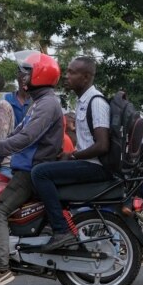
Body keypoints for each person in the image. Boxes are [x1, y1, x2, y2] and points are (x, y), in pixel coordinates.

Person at [0, 52, 64, 285]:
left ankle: (2, 268)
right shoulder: (38, 102)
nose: (21, 76)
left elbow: (24, 139)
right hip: (26, 166)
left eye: (27, 71)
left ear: (40, 74)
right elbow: (17, 134)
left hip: (30, 170)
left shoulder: (47, 103)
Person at [31, 57, 110, 253]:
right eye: (67, 71)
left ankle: (61, 231)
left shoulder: (96, 102)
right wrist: (69, 154)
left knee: (40, 173)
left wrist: (73, 157)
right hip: (87, 162)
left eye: (71, 72)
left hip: (95, 166)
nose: (66, 76)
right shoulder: (83, 101)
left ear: (85, 77)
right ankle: (59, 227)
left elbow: (102, 145)